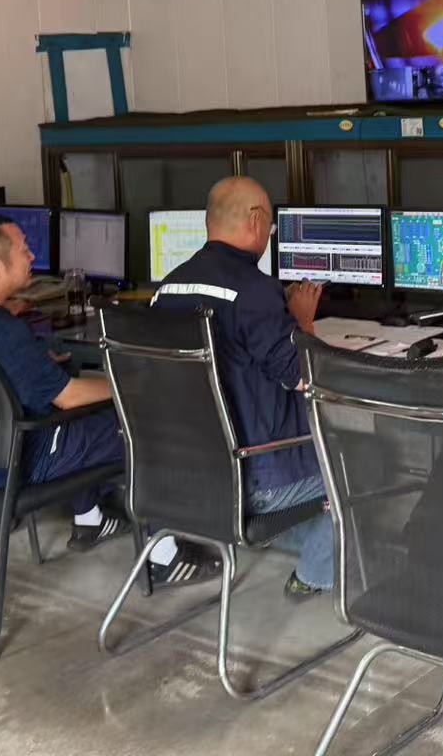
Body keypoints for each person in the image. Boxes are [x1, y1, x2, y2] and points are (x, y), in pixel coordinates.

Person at [0, 215, 213, 573]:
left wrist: (35, 361)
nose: (32, 256)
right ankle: (164, 557)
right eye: (23, 249)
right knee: (145, 421)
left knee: (87, 407)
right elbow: (68, 397)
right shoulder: (1, 330)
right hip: (25, 459)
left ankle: (90, 519)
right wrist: (134, 384)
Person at [150, 176, 334, 598]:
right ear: (255, 221)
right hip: (256, 479)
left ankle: (295, 540)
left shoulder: (167, 289)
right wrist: (303, 322)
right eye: (270, 226)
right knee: (366, 456)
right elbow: (307, 376)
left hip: (183, 476)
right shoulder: (253, 292)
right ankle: (314, 574)